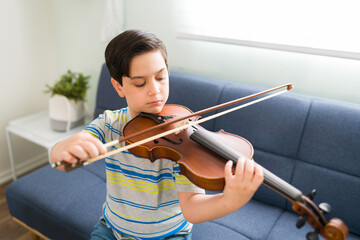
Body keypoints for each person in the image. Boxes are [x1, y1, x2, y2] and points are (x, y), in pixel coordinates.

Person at [50, 29, 264, 240]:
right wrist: (64, 149)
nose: (155, 90)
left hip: (169, 235)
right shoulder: (108, 124)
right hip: (112, 230)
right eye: (140, 83)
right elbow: (60, 160)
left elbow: (191, 207)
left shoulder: (184, 136)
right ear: (118, 86)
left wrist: (229, 200)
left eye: (161, 77)